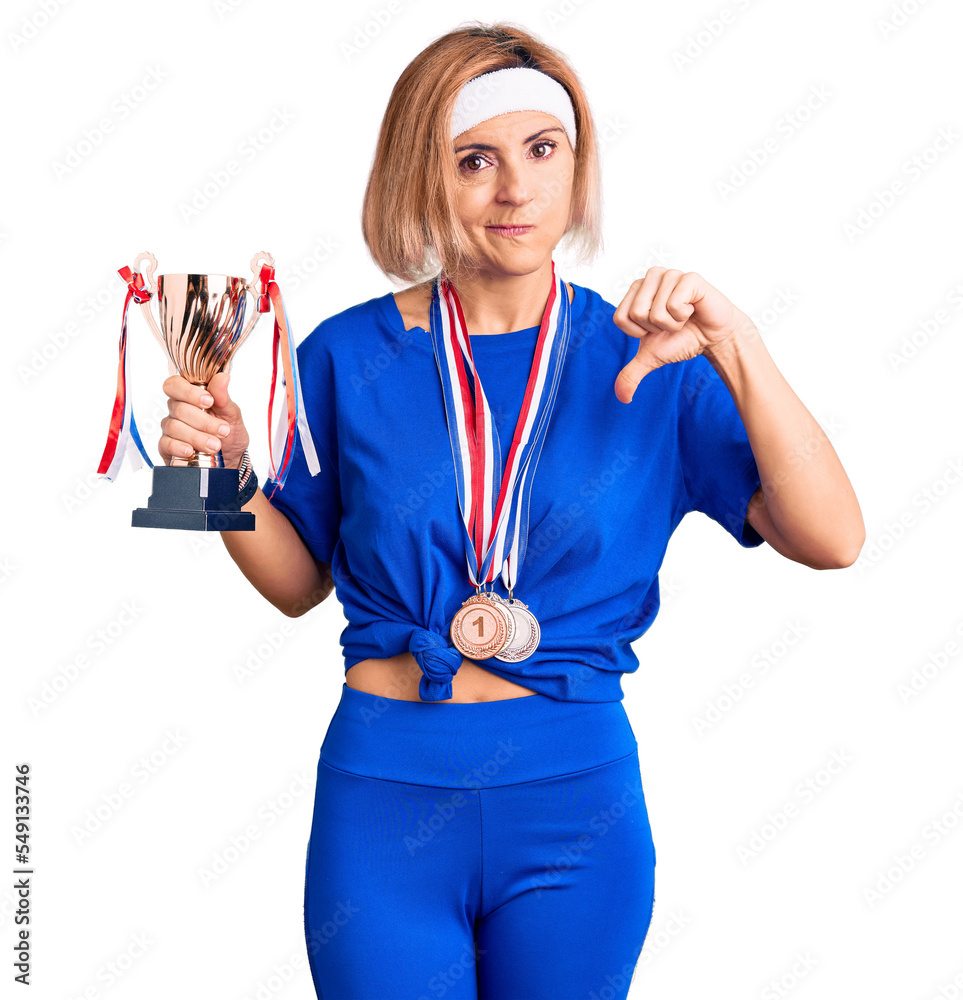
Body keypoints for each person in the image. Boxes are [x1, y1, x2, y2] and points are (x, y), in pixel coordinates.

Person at [157, 21, 864, 1000]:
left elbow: (836, 537)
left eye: (544, 150)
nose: (515, 188)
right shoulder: (344, 355)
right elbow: (295, 585)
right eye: (475, 158)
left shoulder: (651, 357)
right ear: (424, 176)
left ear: (579, 167)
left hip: (575, 808)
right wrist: (224, 469)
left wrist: (736, 342)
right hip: (386, 797)